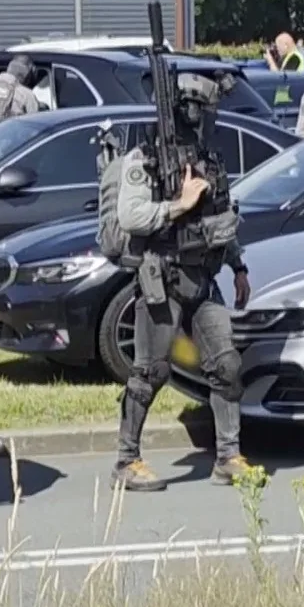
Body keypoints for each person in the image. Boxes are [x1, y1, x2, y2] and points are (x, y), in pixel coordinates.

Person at [106, 73, 252, 492]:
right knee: (150, 372)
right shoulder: (144, 159)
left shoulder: (207, 158)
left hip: (205, 279)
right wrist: (178, 205)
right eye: (205, 110)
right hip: (163, 279)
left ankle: (228, 456)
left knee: (226, 366)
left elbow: (221, 216)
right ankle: (126, 460)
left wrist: (238, 266)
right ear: (188, 109)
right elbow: (131, 217)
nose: (211, 118)